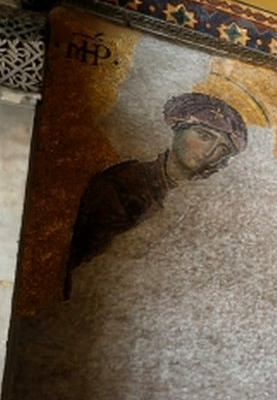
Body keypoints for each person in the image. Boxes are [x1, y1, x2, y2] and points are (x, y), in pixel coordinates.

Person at [65, 92, 248, 298]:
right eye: (204, 136)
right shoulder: (123, 182)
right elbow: (91, 262)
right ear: (179, 128)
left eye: (221, 149)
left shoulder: (207, 202)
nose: (208, 152)